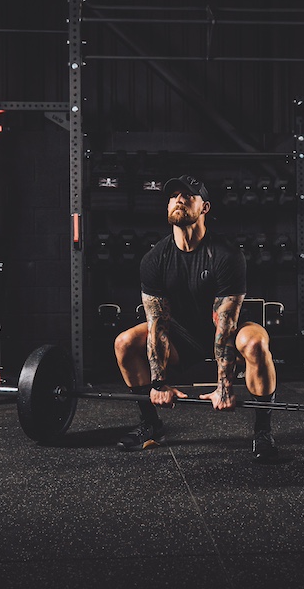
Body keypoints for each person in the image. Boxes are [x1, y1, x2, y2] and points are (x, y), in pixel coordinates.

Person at [113, 174, 279, 462]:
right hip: (182, 335)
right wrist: (158, 384)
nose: (179, 199)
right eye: (173, 196)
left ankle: (263, 432)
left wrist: (224, 388)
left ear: (205, 208)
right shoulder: (154, 259)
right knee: (125, 342)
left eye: (188, 196)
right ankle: (151, 423)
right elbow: (157, 325)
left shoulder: (226, 255)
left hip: (232, 330)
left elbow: (225, 326)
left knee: (255, 344)